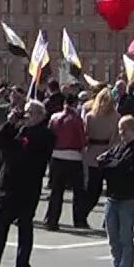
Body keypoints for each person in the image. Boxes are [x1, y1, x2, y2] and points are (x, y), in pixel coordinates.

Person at [0, 100, 54, 267]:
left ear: (41, 116)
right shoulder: (15, 131)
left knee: (25, 229)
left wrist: (23, 130)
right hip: (6, 187)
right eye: (25, 112)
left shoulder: (45, 134)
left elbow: (32, 149)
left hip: (28, 188)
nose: (26, 116)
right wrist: (10, 124)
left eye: (31, 113)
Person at [97, 116, 134, 267]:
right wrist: (113, 164)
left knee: (125, 237)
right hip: (112, 196)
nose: (121, 133)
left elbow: (130, 168)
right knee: (113, 237)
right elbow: (102, 159)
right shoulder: (118, 147)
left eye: (124, 130)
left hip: (128, 198)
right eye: (119, 130)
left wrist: (115, 165)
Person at [77, 88, 119, 226]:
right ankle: (107, 219)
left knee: (93, 189)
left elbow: (85, 136)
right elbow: (116, 139)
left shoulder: (90, 116)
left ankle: (82, 216)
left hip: (93, 154)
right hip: (108, 153)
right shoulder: (116, 117)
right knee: (111, 190)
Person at [43, 94, 86, 232]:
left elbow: (49, 136)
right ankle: (79, 220)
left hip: (56, 156)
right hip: (73, 156)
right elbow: (81, 140)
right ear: (75, 104)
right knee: (78, 192)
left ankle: (51, 220)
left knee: (56, 191)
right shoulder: (77, 120)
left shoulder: (54, 117)